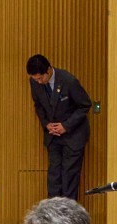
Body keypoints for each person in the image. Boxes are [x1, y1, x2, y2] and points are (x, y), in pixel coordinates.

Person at [27, 54, 91, 200]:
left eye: (40, 78)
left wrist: (66, 126)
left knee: (69, 179)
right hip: (53, 137)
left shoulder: (68, 81)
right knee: (53, 178)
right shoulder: (34, 82)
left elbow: (85, 105)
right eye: (35, 79)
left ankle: (68, 214)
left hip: (73, 136)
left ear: (49, 70)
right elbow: (38, 105)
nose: (38, 82)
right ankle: (52, 212)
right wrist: (46, 124)